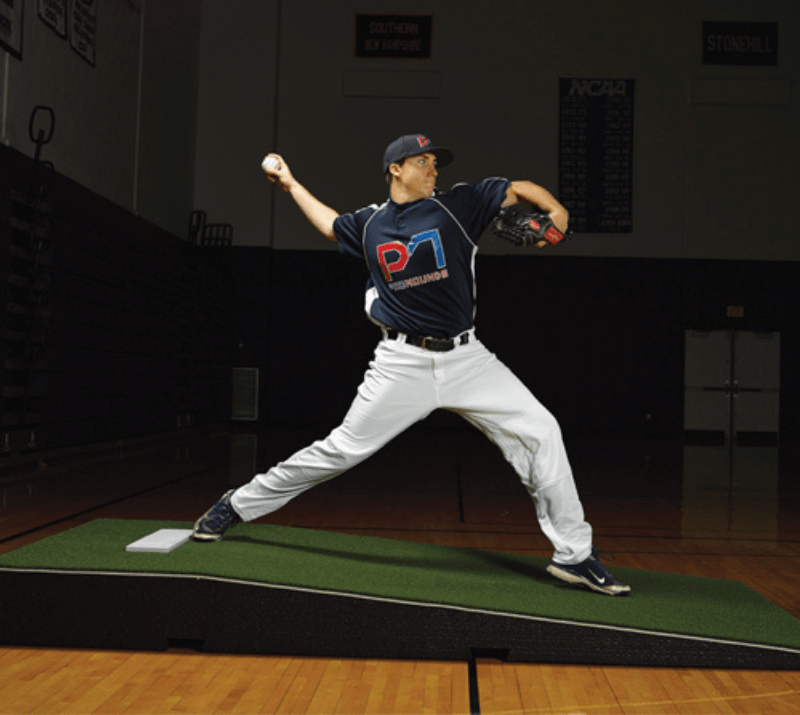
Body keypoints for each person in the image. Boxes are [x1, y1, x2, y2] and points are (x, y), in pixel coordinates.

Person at [192, 134, 630, 596]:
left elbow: (519, 188)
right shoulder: (369, 224)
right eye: (424, 161)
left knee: (542, 430)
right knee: (340, 451)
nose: (433, 169)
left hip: (467, 359)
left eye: (435, 162)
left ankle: (575, 557)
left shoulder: (458, 205)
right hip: (401, 363)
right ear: (395, 169)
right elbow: (330, 226)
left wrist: (556, 211)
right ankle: (235, 505)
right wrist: (290, 183)